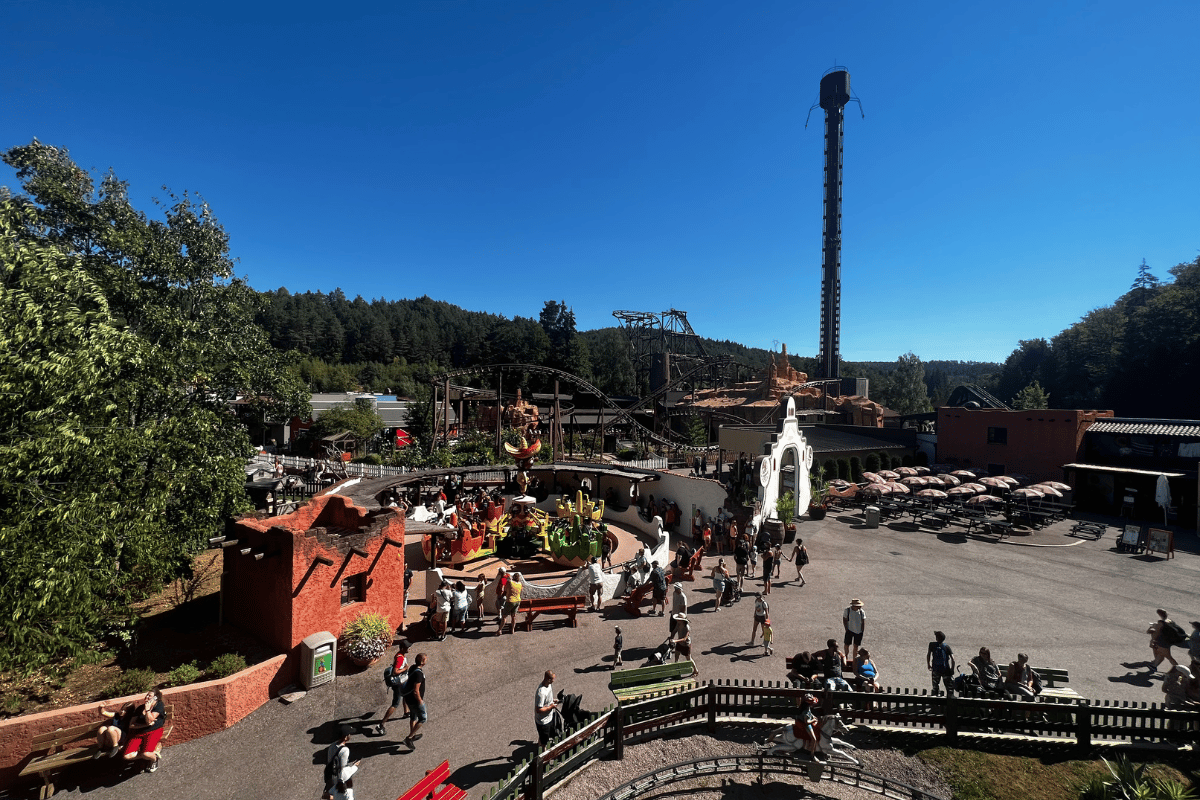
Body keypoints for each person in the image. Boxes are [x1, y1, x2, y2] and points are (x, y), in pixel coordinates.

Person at [122, 689, 166, 772]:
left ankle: (153, 759)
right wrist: (144, 725)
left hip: (154, 731)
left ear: (155, 698)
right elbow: (131, 724)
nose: (147, 697)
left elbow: (150, 720)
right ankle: (151, 754)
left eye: (150, 696)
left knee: (145, 753)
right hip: (139, 733)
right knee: (127, 756)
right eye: (147, 695)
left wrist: (148, 710)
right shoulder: (139, 708)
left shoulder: (159, 705)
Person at [376, 641, 411, 733]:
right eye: (408, 647)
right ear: (403, 649)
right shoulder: (400, 658)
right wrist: (405, 669)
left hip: (402, 681)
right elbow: (395, 672)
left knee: (406, 694)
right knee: (395, 704)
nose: (409, 649)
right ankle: (381, 724)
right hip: (398, 684)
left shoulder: (400, 655)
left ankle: (406, 712)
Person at [323, 728, 358, 800]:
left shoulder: (332, 745)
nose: (350, 736)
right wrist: (354, 767)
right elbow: (343, 769)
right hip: (338, 779)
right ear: (345, 737)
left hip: (330, 774)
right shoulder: (345, 750)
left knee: (331, 793)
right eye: (349, 734)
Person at [402, 653, 427, 749]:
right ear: (422, 662)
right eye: (425, 660)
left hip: (408, 698)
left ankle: (412, 735)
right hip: (415, 700)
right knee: (423, 719)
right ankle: (408, 738)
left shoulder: (412, 667)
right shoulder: (419, 674)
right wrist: (420, 701)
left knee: (413, 717)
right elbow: (416, 690)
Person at [535, 671, 560, 745]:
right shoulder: (541, 693)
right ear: (548, 679)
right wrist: (550, 707)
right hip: (543, 721)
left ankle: (540, 742)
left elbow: (547, 699)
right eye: (553, 679)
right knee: (544, 740)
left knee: (544, 736)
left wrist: (552, 700)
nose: (554, 680)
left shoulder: (549, 685)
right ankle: (543, 751)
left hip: (549, 717)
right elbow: (539, 709)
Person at [927, 631, 956, 696]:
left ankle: (935, 703)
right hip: (946, 670)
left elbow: (928, 654)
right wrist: (952, 669)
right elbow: (953, 659)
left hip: (935, 669)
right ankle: (950, 702)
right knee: (949, 688)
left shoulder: (932, 645)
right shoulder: (946, 647)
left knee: (935, 687)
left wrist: (928, 664)